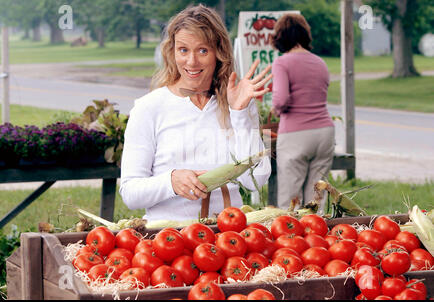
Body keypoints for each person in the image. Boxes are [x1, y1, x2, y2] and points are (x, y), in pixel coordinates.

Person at [119, 5, 272, 222]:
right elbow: (130, 193)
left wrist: (239, 113)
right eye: (183, 50)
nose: (191, 62)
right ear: (172, 52)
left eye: (202, 50)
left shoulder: (238, 103)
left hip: (229, 235)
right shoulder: (148, 108)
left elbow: (257, 179)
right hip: (168, 239)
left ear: (219, 53)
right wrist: (170, 182)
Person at [270, 13, 335, 210]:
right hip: (324, 133)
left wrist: (276, 109)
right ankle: (317, 237)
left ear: (280, 37)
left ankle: (290, 239)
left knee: (290, 201)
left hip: (295, 136)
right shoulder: (320, 63)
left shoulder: (282, 62)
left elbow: (281, 99)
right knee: (317, 199)